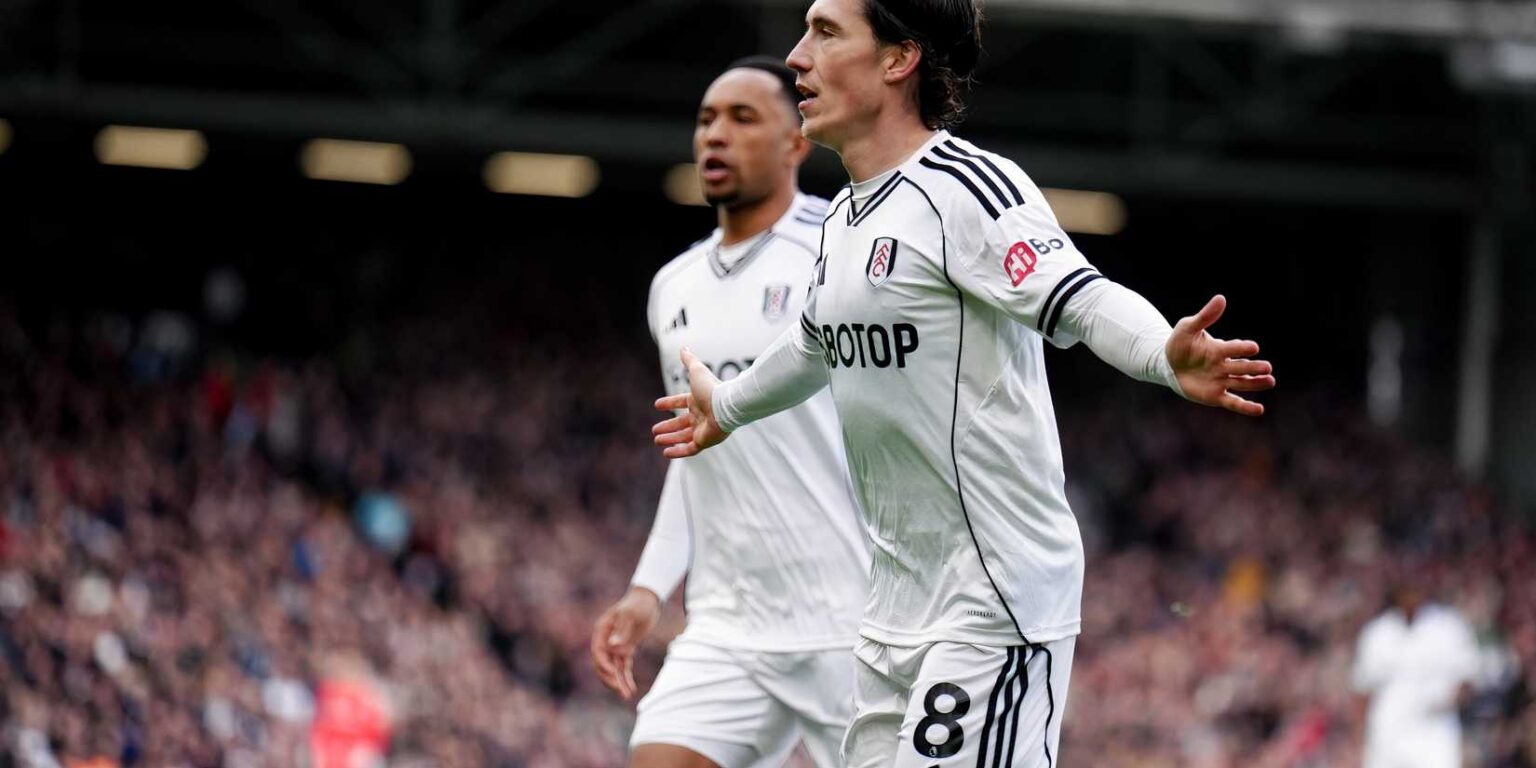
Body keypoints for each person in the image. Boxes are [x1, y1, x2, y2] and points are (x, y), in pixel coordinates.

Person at [651, 2, 1277, 766]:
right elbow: (815, 341)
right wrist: (731, 407)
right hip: (892, 612)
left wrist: (1160, 354)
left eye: (825, 32)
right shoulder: (844, 217)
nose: (796, 57)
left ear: (897, 59)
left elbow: (1078, 295)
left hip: (992, 601)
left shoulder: (966, 188)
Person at [591, 56, 871, 768]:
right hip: (728, 628)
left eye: (743, 118)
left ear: (795, 142)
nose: (716, 134)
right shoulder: (673, 286)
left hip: (853, 622)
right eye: (706, 119)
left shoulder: (841, 252)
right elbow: (695, 450)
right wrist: (649, 588)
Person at [1351, 580, 1481, 768]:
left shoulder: (1448, 626)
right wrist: (1359, 740)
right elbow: (1362, 690)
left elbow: (1468, 677)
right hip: (1387, 731)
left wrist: (1451, 699)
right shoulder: (1378, 632)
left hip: (1434, 731)